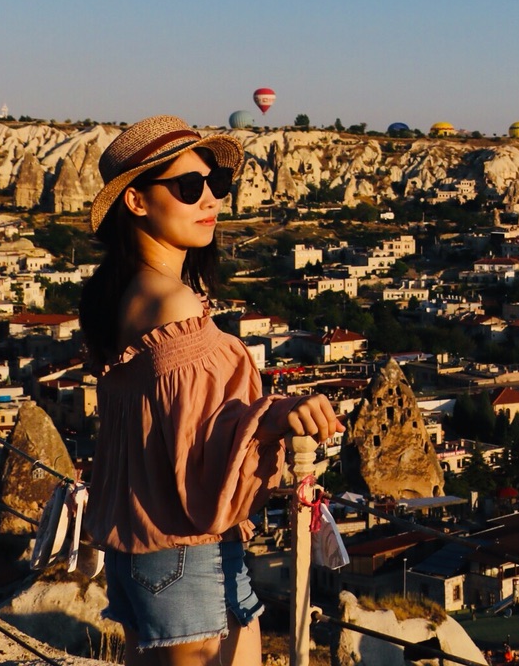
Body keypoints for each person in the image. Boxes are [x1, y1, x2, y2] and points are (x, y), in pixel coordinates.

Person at [80, 116, 343, 666]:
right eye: (188, 187)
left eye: (215, 184)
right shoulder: (172, 306)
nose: (210, 200)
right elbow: (199, 442)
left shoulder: (118, 296)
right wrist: (277, 415)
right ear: (135, 202)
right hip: (184, 547)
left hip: (139, 542)